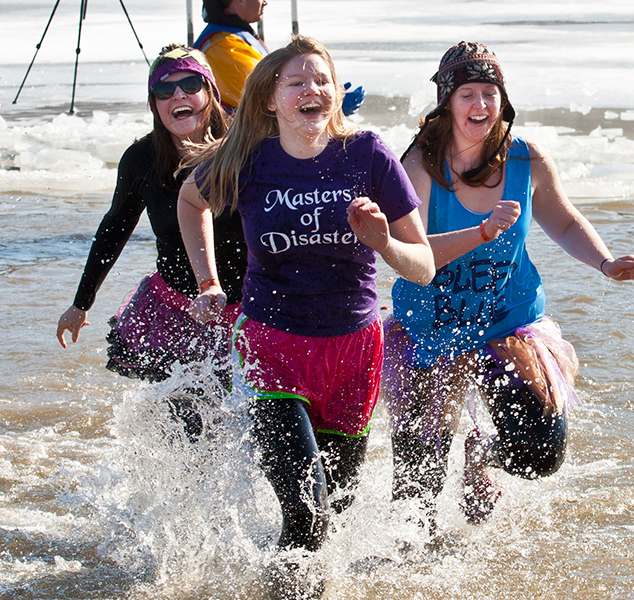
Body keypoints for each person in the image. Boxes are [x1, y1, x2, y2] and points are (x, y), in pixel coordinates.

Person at [177, 35, 433, 577]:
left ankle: (280, 583)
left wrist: (383, 242)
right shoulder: (248, 159)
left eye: (322, 81)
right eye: (297, 82)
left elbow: (423, 266)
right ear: (271, 98)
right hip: (272, 346)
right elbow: (191, 199)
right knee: (308, 513)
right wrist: (207, 283)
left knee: (331, 516)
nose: (312, 90)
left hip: (354, 353)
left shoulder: (368, 154)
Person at [385, 41, 634, 526]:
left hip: (508, 323)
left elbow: (564, 223)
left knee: (540, 454)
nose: (480, 105)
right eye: (467, 94)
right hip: (430, 328)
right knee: (417, 489)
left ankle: (480, 456)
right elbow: (413, 258)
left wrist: (606, 264)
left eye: (490, 93)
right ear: (447, 101)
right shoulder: (419, 166)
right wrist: (480, 232)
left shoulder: (527, 161)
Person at [56, 45, 245, 441]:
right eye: (164, 90)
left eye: (190, 84)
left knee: (249, 419)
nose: (178, 96)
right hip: (176, 314)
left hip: (249, 310)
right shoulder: (142, 159)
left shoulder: (244, 147)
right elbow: (114, 228)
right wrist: (80, 302)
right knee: (191, 423)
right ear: (154, 104)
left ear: (209, 91)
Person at [195, 0, 365, 115]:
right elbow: (265, 98)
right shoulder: (224, 46)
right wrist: (328, 106)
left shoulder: (231, 37)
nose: (265, 2)